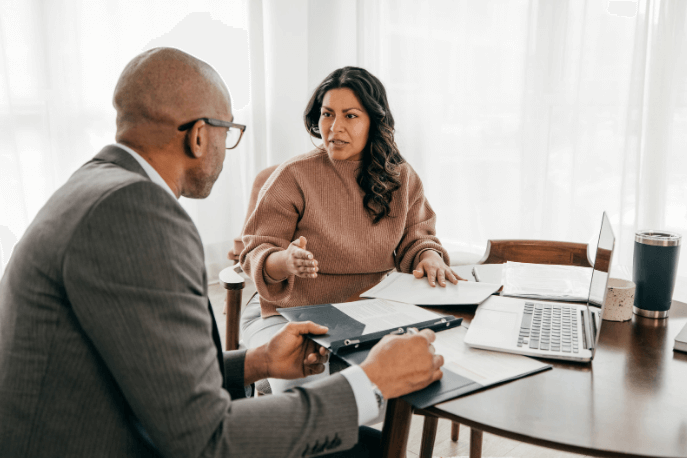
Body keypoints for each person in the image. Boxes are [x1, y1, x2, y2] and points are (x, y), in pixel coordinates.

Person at [0, 48, 444, 457]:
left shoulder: (98, 186)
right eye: (228, 131)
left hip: (95, 419)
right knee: (365, 449)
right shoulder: (136, 212)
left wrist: (258, 362)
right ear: (198, 136)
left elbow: (156, 369)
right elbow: (207, 438)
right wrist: (369, 383)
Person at [240, 66, 461, 392]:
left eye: (351, 116)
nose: (335, 127)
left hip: (369, 314)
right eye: (328, 114)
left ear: (374, 121)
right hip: (290, 313)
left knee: (409, 381)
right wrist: (285, 261)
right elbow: (256, 252)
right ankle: (272, 389)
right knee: (311, 397)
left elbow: (418, 235)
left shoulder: (402, 178)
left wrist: (428, 257)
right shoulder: (294, 176)